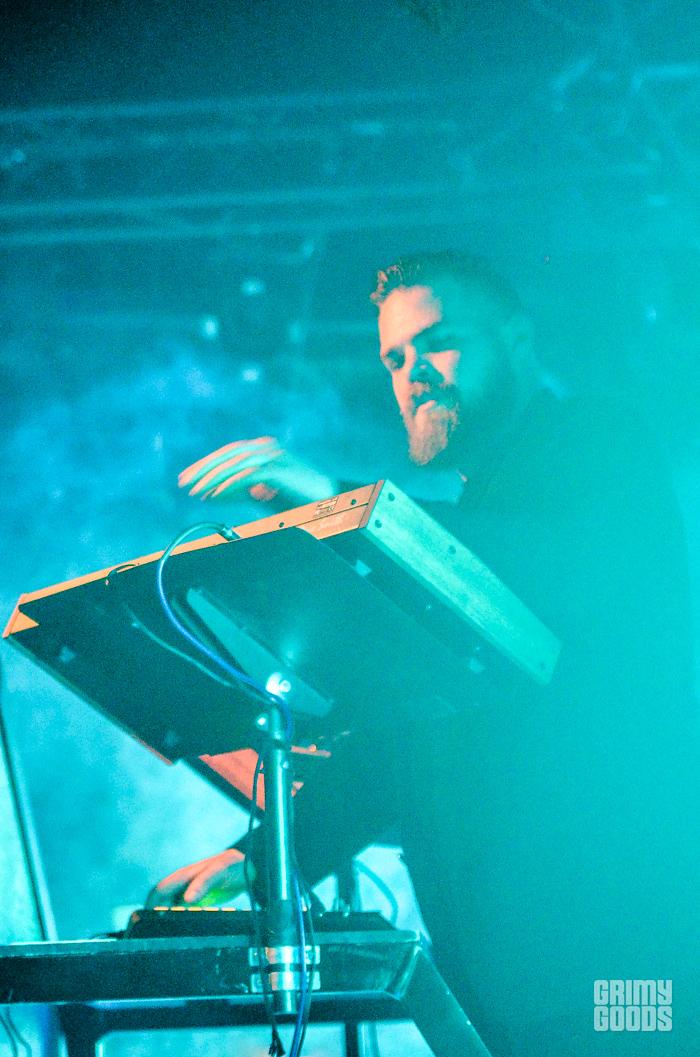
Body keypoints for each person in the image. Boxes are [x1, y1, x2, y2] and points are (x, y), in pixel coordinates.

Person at [151, 252, 699, 1055]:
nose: (413, 373)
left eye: (438, 342)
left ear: (516, 339)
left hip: (629, 968)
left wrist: (337, 501)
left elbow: (538, 567)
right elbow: (401, 744)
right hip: (503, 990)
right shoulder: (466, 522)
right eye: (394, 358)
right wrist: (257, 861)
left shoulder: (597, 444)